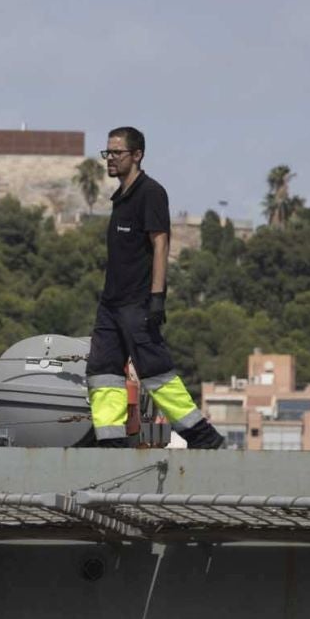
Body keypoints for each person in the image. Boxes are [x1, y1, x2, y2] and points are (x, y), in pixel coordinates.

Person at [86, 126, 224, 449]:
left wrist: (157, 297)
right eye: (107, 153)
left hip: (137, 302)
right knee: (102, 371)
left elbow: (161, 244)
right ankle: (110, 444)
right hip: (110, 304)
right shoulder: (120, 198)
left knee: (154, 371)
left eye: (117, 153)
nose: (110, 159)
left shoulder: (151, 193)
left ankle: (202, 436)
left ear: (137, 155)